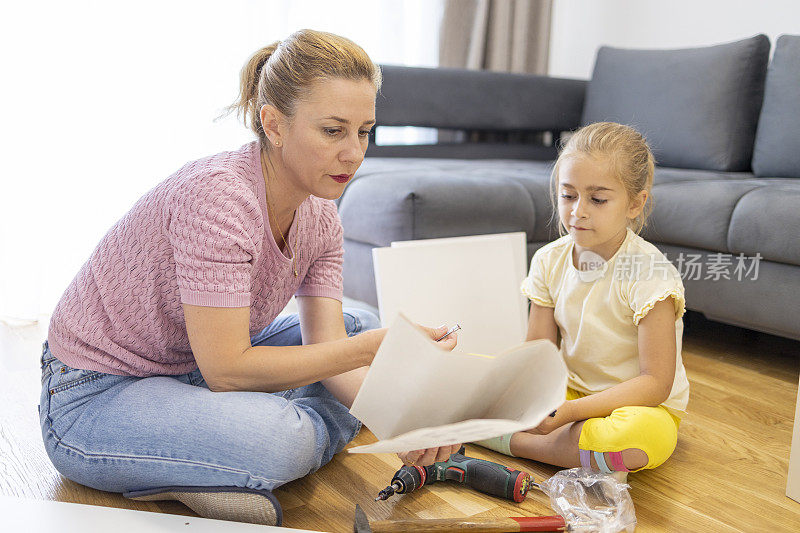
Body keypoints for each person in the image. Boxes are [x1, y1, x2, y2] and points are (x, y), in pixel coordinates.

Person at [38, 29, 459, 527]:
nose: (354, 152)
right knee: (284, 439)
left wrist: (400, 418)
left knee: (356, 321)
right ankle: (233, 455)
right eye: (333, 130)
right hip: (97, 394)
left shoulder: (321, 212)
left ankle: (218, 457)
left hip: (192, 366)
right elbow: (228, 372)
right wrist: (372, 356)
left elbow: (329, 348)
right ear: (274, 124)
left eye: (364, 131)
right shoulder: (218, 200)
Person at [476, 122, 690, 481]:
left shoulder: (651, 273)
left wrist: (570, 412)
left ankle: (504, 440)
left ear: (636, 204)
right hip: (569, 392)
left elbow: (655, 383)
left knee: (628, 440)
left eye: (598, 199)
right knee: (478, 376)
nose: (578, 211)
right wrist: (521, 390)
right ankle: (571, 450)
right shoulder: (548, 259)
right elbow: (540, 352)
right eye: (568, 195)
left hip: (640, 407)